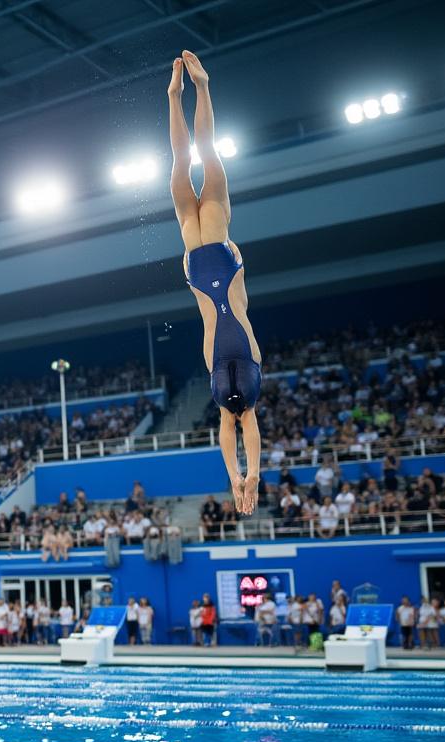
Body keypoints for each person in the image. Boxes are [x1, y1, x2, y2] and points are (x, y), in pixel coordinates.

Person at [168, 50, 262, 515]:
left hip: (223, 259)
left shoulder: (250, 367)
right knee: (182, 160)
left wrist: (252, 474)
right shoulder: (215, 381)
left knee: (206, 153)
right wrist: (235, 474)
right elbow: (231, 429)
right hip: (197, 264)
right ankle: (175, 95)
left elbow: (246, 428)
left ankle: (201, 88)